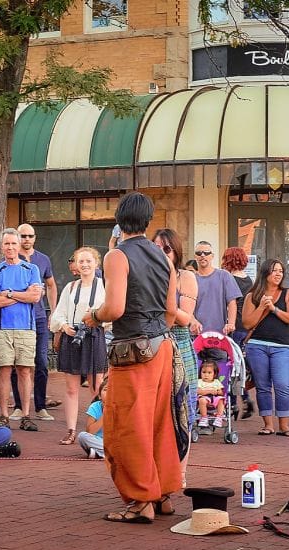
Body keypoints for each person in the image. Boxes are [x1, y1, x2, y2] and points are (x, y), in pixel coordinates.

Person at [84, 191, 180, 524]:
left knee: (126, 426)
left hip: (133, 350)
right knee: (159, 423)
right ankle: (163, 492)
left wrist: (93, 317)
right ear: (148, 220)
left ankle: (141, 500)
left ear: (118, 218)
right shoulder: (164, 257)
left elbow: (115, 308)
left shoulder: (116, 256)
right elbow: (171, 312)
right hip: (163, 346)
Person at [49, 247, 108, 446]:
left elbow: (112, 313)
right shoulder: (70, 287)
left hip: (94, 336)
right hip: (73, 337)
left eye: (88, 261)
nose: (84, 265)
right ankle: (71, 430)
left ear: (96, 264)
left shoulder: (103, 286)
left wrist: (98, 320)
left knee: (96, 387)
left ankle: (97, 430)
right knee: (71, 388)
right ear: (75, 264)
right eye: (80, 261)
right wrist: (64, 326)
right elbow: (58, 314)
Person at [0, 228, 43, 431]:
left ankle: (26, 415)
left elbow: (35, 297)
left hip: (26, 328)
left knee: (25, 371)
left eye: (13, 243)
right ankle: (3, 415)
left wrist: (9, 293)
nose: (10, 247)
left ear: (19, 245)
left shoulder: (31, 269)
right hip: (2, 328)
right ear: (1, 247)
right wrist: (22, 294)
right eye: (6, 244)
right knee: (3, 370)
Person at [152, 228, 198, 475]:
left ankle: (180, 473)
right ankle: (159, 473)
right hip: (153, 344)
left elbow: (184, 318)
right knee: (157, 412)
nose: (161, 252)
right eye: (156, 247)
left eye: (166, 248)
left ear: (176, 252)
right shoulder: (146, 275)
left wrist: (161, 302)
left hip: (179, 343)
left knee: (184, 411)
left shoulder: (186, 277)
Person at [242, 259, 289, 437]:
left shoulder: (288, 294)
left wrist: (274, 309)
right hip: (257, 345)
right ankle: (268, 425)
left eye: (281, 271)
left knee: (282, 385)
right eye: (274, 271)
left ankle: (284, 425)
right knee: (262, 386)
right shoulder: (252, 295)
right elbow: (247, 323)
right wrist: (261, 307)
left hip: (282, 346)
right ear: (265, 273)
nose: (278, 274)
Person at [11, 223, 59, 421]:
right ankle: (18, 406)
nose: (27, 239)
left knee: (40, 362)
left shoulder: (43, 259)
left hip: (39, 317)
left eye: (30, 236)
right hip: (18, 318)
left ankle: (40, 407)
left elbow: (51, 285)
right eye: (23, 236)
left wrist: (53, 311)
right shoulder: (12, 259)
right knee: (18, 363)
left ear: (35, 238)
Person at [221, 247, 256, 418]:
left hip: (232, 325)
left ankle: (233, 404)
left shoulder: (227, 278)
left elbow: (227, 303)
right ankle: (246, 398)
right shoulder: (249, 280)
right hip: (246, 326)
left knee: (230, 365)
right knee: (240, 365)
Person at [192, 241, 241, 336]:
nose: (202, 255)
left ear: (212, 256)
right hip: (195, 334)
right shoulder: (191, 278)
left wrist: (231, 324)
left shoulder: (224, 275)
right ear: (195, 256)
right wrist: (192, 321)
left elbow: (232, 302)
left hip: (219, 334)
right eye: (199, 253)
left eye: (206, 253)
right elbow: (185, 307)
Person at [77, 381, 107, 459]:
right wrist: (105, 415)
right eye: (106, 389)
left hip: (115, 442)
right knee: (82, 436)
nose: (109, 393)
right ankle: (106, 453)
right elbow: (90, 432)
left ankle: (99, 453)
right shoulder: (95, 406)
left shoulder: (121, 407)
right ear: (100, 396)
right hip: (98, 441)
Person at [195, 361, 225, 435]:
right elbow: (198, 391)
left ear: (214, 374)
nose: (206, 375)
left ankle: (219, 417)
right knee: (202, 400)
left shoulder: (216, 382)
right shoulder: (199, 382)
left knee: (221, 400)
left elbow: (221, 392)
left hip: (215, 399)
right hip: (205, 398)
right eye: (204, 372)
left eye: (209, 373)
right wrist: (209, 391)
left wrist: (218, 392)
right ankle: (204, 417)